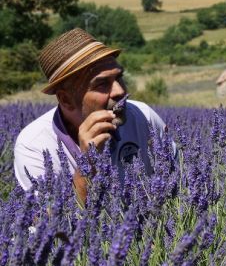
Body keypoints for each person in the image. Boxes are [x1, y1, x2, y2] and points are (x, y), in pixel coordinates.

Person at [13, 28, 170, 201]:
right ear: (66, 100)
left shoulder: (143, 116)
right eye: (101, 84)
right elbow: (49, 222)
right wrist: (88, 162)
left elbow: (178, 177)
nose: (119, 91)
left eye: (119, 78)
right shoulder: (34, 145)